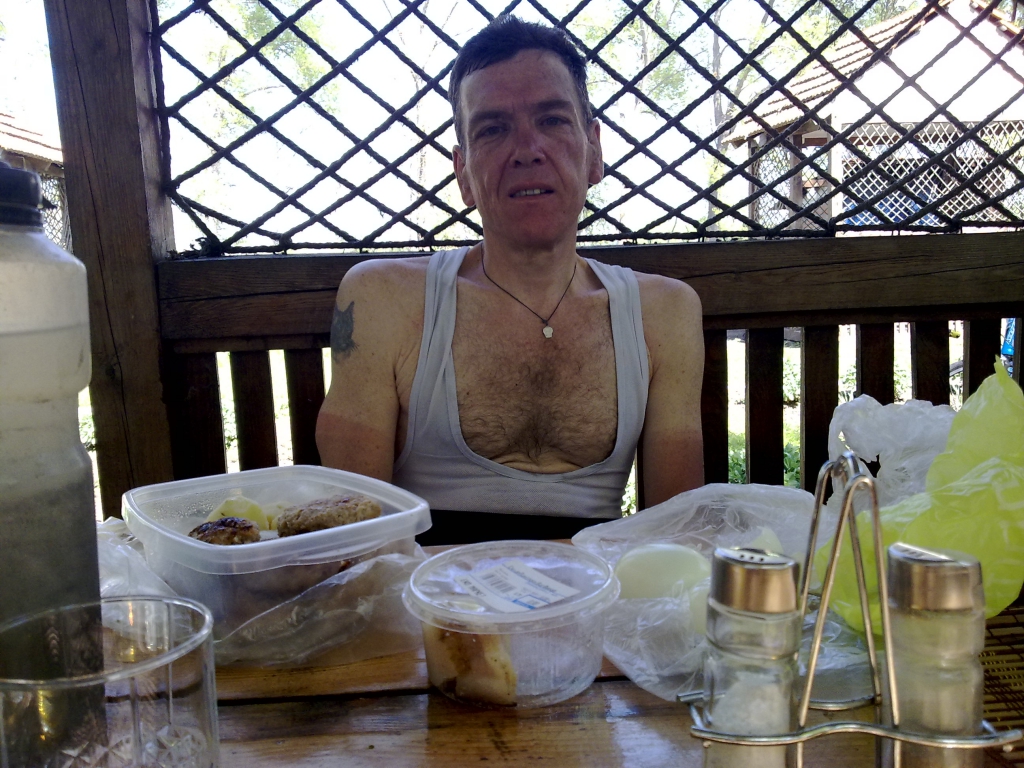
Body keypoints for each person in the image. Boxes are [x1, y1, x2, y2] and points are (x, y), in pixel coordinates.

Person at [316, 16, 704, 527]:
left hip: (596, 576)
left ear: (594, 152)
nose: (527, 151)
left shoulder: (663, 314)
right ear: (463, 174)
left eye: (553, 120)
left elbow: (674, 533)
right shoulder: (384, 301)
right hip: (429, 576)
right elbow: (355, 537)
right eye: (493, 129)